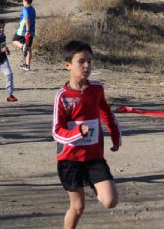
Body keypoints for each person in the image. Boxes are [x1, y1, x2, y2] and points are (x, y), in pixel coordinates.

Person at [52, 40, 121, 229]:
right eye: (81, 61)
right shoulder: (62, 96)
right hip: (70, 159)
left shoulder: (96, 89)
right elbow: (57, 131)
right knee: (78, 206)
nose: (87, 65)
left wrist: (115, 135)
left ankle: (95, 183)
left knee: (110, 201)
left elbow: (106, 112)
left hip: (93, 157)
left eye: (89, 61)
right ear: (67, 65)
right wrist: (76, 133)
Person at [11, 0, 36, 71]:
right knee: (28, 48)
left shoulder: (25, 9)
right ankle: (27, 65)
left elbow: (27, 19)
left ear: (25, 1)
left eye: (23, 0)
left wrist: (27, 31)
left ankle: (22, 47)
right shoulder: (33, 9)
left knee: (14, 41)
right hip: (32, 31)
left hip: (23, 31)